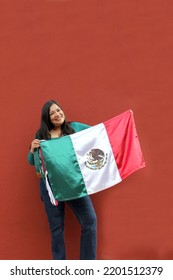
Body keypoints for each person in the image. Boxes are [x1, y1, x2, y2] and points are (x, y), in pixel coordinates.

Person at [27, 100, 97, 260]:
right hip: (51, 188)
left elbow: (98, 135)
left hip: (74, 184)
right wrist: (32, 150)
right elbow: (32, 161)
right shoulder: (41, 136)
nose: (57, 114)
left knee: (90, 222)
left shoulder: (75, 128)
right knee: (56, 228)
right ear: (47, 118)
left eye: (58, 110)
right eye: (52, 113)